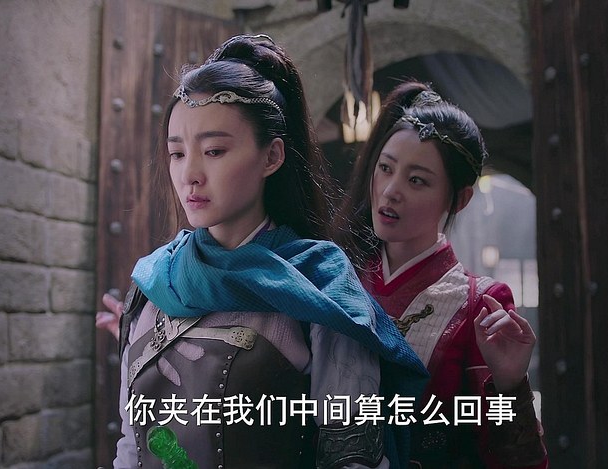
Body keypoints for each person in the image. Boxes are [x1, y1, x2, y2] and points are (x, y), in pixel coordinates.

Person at [107, 34, 428, 469]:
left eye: (214, 150)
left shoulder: (319, 289)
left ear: (272, 156)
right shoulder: (153, 283)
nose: (190, 174)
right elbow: (130, 446)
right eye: (177, 153)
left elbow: (352, 459)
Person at [334, 81, 548, 468]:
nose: (390, 191)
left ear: (459, 199)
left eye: (417, 180)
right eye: (385, 169)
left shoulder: (480, 304)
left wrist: (510, 384)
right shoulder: (337, 277)